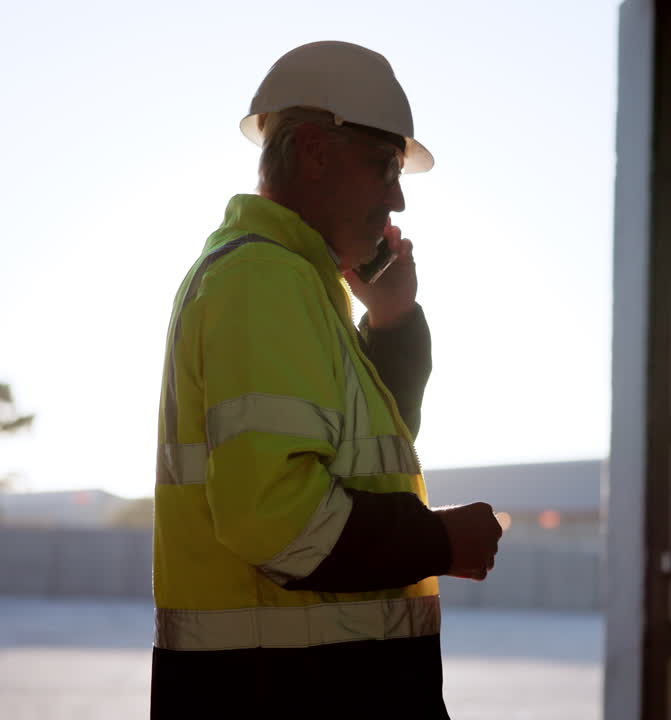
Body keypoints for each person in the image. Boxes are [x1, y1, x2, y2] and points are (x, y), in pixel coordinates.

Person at [150, 41, 503, 718]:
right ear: (315, 152)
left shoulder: (299, 285)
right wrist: (439, 540)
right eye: (385, 166)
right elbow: (278, 518)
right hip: (290, 692)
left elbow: (362, 467)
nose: (398, 196)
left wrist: (394, 320)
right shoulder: (264, 280)